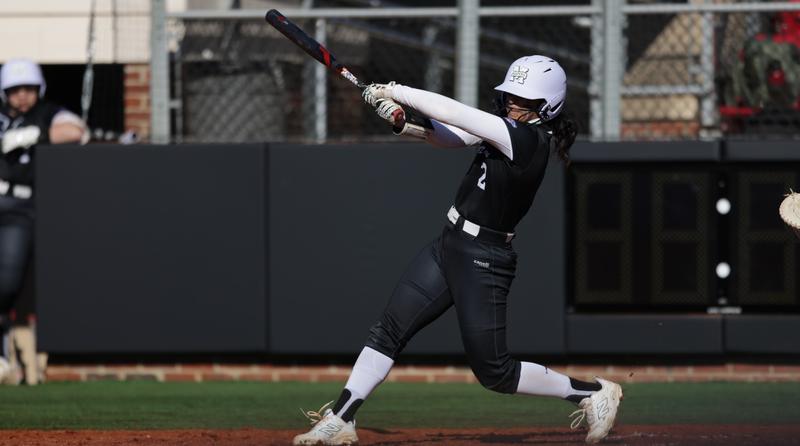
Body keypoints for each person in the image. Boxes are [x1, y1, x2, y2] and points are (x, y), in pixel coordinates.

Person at [292, 55, 623, 445]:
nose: (513, 103)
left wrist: (395, 90)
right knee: (389, 330)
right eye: (511, 95)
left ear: (546, 107)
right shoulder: (508, 128)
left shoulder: (526, 139)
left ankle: (592, 394)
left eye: (525, 99)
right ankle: (341, 418)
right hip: (450, 244)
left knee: (495, 372)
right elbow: (448, 135)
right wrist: (404, 123)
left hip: (485, 259)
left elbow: (456, 113)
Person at [0, 58, 88, 385]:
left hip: (19, 205)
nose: (22, 96)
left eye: (28, 89)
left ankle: (6, 356)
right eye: (15, 90)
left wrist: (32, 134)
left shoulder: (47, 113)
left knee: (7, 283)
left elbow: (75, 130)